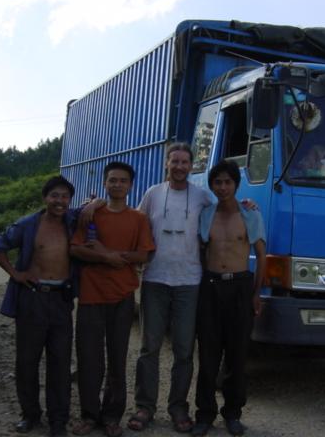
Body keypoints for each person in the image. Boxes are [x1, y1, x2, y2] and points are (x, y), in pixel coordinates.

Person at [127, 142, 212, 433]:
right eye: (174, 161)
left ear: (192, 165)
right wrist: (97, 205)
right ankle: (145, 406)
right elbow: (134, 224)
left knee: (184, 350)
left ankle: (178, 408)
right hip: (155, 280)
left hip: (189, 282)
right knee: (148, 348)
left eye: (184, 162)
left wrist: (247, 206)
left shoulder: (202, 196)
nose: (179, 166)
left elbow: (224, 213)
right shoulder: (152, 194)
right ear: (167, 164)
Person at [0, 176, 79, 437]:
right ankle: (30, 414)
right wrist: (15, 274)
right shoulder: (28, 224)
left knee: (60, 362)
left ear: (69, 200)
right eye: (54, 196)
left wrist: (93, 203)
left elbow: (90, 210)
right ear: (45, 198)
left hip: (62, 299)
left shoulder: (72, 222)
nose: (59, 201)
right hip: (33, 298)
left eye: (64, 196)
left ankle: (58, 420)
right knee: (27, 360)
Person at [69, 162, 155, 437]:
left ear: (130, 186)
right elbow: (76, 248)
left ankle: (111, 417)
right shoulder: (90, 215)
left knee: (117, 359)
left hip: (122, 297)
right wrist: (107, 257)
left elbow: (143, 255)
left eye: (122, 181)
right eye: (112, 180)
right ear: (105, 183)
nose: (117, 184)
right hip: (91, 296)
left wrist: (112, 254)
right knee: (89, 359)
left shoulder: (138, 219)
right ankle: (89, 415)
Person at [191, 160, 266, 437]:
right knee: (208, 355)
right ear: (211, 185)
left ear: (236, 184)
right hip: (210, 288)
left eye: (228, 182)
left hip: (240, 288)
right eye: (217, 182)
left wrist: (257, 293)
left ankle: (233, 414)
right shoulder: (205, 214)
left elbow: (260, 256)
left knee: (237, 355)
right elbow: (199, 249)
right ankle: (204, 414)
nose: (222, 187)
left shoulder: (250, 215)